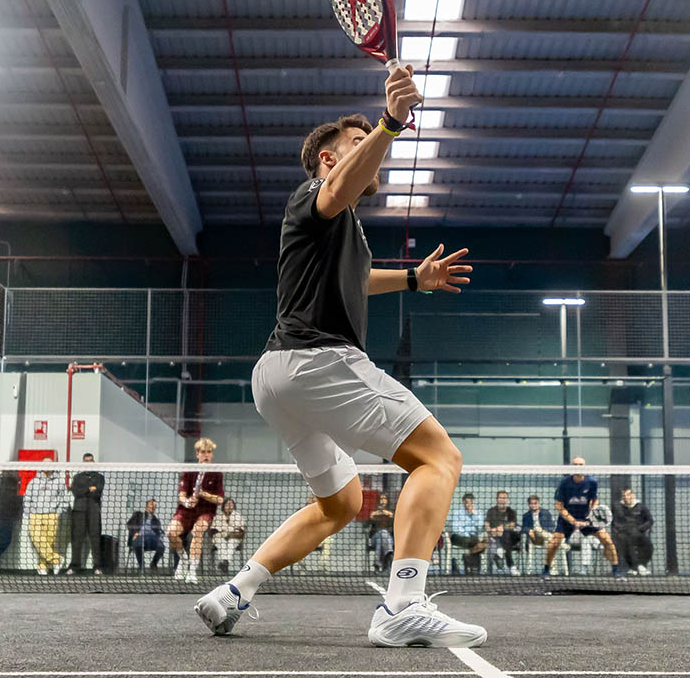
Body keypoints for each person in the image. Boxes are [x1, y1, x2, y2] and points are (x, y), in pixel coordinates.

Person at [195, 68, 484, 647]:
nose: (370, 150)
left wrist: (413, 279)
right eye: (357, 143)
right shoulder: (315, 196)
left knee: (341, 502)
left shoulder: (338, 229)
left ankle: (234, 591)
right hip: (318, 361)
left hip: (276, 376)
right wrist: (390, 123)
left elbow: (357, 280)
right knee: (439, 458)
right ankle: (403, 604)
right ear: (328, 160)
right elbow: (336, 189)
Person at [541, 457, 621, 577]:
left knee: (607, 540)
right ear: (571, 467)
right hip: (567, 519)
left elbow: (595, 500)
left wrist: (592, 513)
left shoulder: (592, 482)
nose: (578, 467)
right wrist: (573, 521)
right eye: (575, 464)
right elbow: (559, 506)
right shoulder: (564, 483)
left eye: (581, 464)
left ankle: (615, 570)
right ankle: (546, 570)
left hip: (586, 518)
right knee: (554, 542)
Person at [168, 438, 225, 583]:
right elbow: (181, 495)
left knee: (198, 531)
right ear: (197, 454)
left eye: (209, 452)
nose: (206, 455)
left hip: (205, 511)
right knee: (171, 533)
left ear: (212, 454)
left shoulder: (217, 473)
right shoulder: (189, 471)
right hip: (186, 511)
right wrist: (187, 502)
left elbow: (220, 500)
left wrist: (203, 494)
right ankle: (183, 559)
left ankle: (192, 571)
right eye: (203, 452)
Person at [24, 459, 69, 575]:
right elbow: (27, 499)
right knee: (37, 539)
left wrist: (57, 513)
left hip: (52, 515)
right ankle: (56, 560)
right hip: (35, 515)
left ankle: (43, 566)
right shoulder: (33, 482)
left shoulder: (59, 482)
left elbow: (65, 499)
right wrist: (29, 513)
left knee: (49, 542)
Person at [66, 453, 104, 576]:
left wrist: (86, 491)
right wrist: (89, 489)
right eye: (86, 461)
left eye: (90, 461)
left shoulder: (99, 477)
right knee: (77, 539)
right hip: (79, 511)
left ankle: (97, 566)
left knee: (95, 538)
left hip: (94, 511)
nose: (88, 463)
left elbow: (98, 492)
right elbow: (76, 492)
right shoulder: (77, 477)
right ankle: (74, 566)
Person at [612, 488, 653, 576]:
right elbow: (615, 522)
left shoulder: (641, 507)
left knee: (648, 545)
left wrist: (641, 528)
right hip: (624, 534)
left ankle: (641, 565)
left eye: (628, 495)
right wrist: (621, 529)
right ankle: (633, 567)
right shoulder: (618, 507)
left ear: (633, 495)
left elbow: (650, 520)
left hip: (638, 533)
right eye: (624, 496)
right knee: (625, 541)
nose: (626, 497)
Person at [448, 493, 486, 575]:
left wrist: (475, 515)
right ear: (463, 502)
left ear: (473, 502)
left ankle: (469, 563)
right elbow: (456, 529)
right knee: (478, 543)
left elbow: (480, 528)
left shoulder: (478, 513)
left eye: (471, 502)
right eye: (466, 502)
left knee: (482, 543)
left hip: (473, 539)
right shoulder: (457, 512)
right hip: (458, 537)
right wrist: (467, 535)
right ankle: (473, 567)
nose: (468, 504)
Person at [484, 490, 520, 575]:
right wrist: (491, 530)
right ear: (496, 499)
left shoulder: (511, 511)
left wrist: (502, 528)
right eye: (500, 498)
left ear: (507, 500)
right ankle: (511, 566)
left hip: (510, 537)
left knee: (506, 534)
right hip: (495, 537)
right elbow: (486, 524)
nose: (502, 500)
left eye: (504, 498)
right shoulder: (491, 511)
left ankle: (500, 551)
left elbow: (512, 525)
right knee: (499, 540)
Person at [127, 499, 166, 572]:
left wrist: (160, 536)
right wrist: (135, 532)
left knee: (162, 547)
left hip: (152, 539)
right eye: (151, 504)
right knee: (138, 543)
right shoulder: (138, 515)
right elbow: (129, 524)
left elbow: (158, 532)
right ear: (146, 506)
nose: (153, 507)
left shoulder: (156, 520)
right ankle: (141, 565)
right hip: (139, 537)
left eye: (155, 506)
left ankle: (153, 563)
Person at [211, 498, 246, 574]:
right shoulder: (218, 517)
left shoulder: (238, 517)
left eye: (231, 504)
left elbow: (242, 533)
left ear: (234, 506)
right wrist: (222, 533)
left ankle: (224, 562)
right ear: (223, 506)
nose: (229, 506)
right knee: (221, 543)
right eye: (227, 504)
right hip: (220, 538)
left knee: (231, 543)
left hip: (234, 538)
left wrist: (230, 534)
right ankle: (225, 562)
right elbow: (213, 531)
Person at [367, 493, 395, 573]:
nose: (382, 501)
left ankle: (377, 564)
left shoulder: (391, 512)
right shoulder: (374, 513)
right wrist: (373, 516)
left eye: (384, 499)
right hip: (375, 538)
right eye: (381, 499)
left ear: (388, 500)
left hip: (388, 538)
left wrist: (387, 514)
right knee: (382, 533)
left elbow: (395, 521)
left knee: (381, 540)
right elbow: (366, 524)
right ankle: (388, 556)